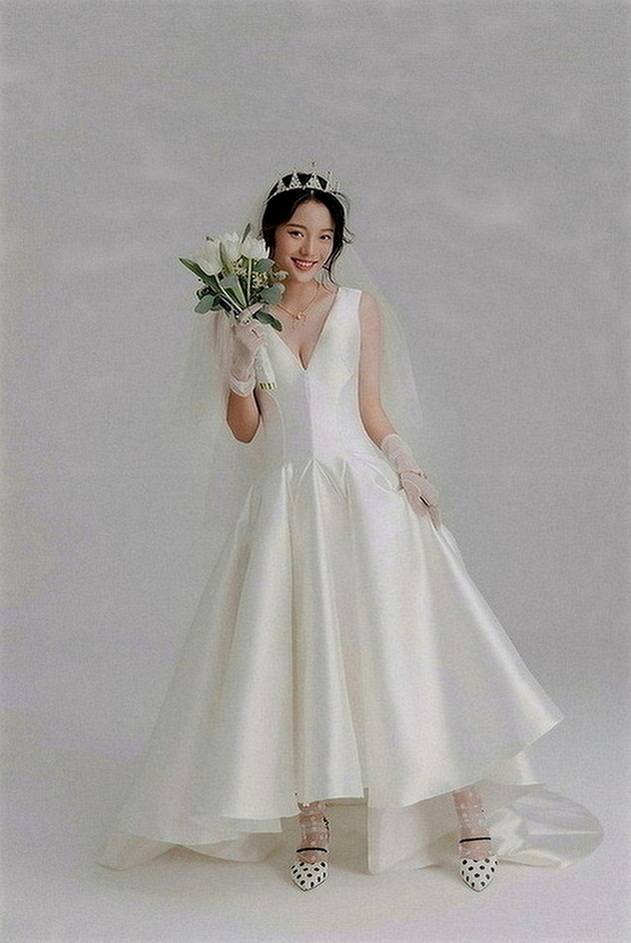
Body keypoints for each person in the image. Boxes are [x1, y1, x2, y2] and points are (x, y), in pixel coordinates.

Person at [98, 168, 602, 893]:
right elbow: (245, 431)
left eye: (324, 236)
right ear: (271, 235)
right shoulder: (241, 310)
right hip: (286, 502)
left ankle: (468, 811)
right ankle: (312, 821)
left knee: (404, 647)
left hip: (363, 494)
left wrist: (406, 465)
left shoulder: (359, 307)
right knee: (294, 653)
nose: (310, 248)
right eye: (296, 232)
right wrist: (239, 367)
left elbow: (369, 406)